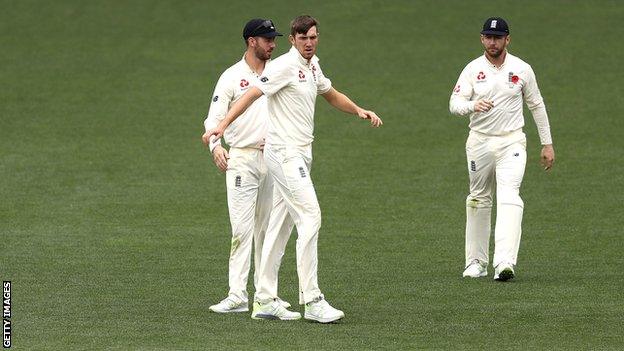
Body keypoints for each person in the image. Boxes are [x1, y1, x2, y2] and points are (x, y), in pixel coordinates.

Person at [203, 15, 383, 322]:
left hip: (299, 154)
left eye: (313, 37)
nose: (310, 43)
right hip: (284, 155)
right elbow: (250, 95)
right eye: (303, 38)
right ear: (294, 40)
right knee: (310, 217)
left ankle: (263, 299)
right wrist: (221, 128)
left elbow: (330, 93)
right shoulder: (282, 67)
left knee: (277, 227)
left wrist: (358, 110)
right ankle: (311, 300)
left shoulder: (312, 66)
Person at [449, 17, 555, 281]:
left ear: (507, 39)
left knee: (510, 196)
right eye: (488, 37)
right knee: (478, 198)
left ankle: (505, 263)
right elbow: (454, 103)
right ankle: (476, 262)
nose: (492, 42)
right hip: (480, 141)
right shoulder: (472, 69)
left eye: (497, 37)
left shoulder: (522, 69)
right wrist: (473, 106)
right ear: (482, 39)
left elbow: (536, 105)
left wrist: (547, 143)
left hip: (512, 142)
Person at [203, 18, 295, 313]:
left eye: (274, 39)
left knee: (268, 229)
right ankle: (237, 295)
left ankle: (266, 295)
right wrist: (216, 147)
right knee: (241, 228)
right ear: (251, 41)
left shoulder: (280, 72)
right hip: (242, 158)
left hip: (274, 159)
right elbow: (213, 118)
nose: (273, 44)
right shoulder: (231, 77)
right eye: (267, 39)